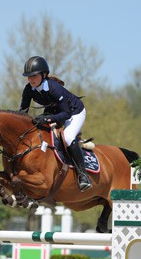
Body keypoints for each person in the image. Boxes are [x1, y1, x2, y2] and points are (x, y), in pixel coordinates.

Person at [19, 55, 92, 191]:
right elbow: (23, 112)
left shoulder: (54, 88)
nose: (31, 79)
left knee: (68, 138)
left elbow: (66, 114)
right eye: (28, 76)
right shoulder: (28, 89)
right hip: (54, 111)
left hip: (74, 112)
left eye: (34, 76)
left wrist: (46, 119)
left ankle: (83, 175)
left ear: (43, 74)